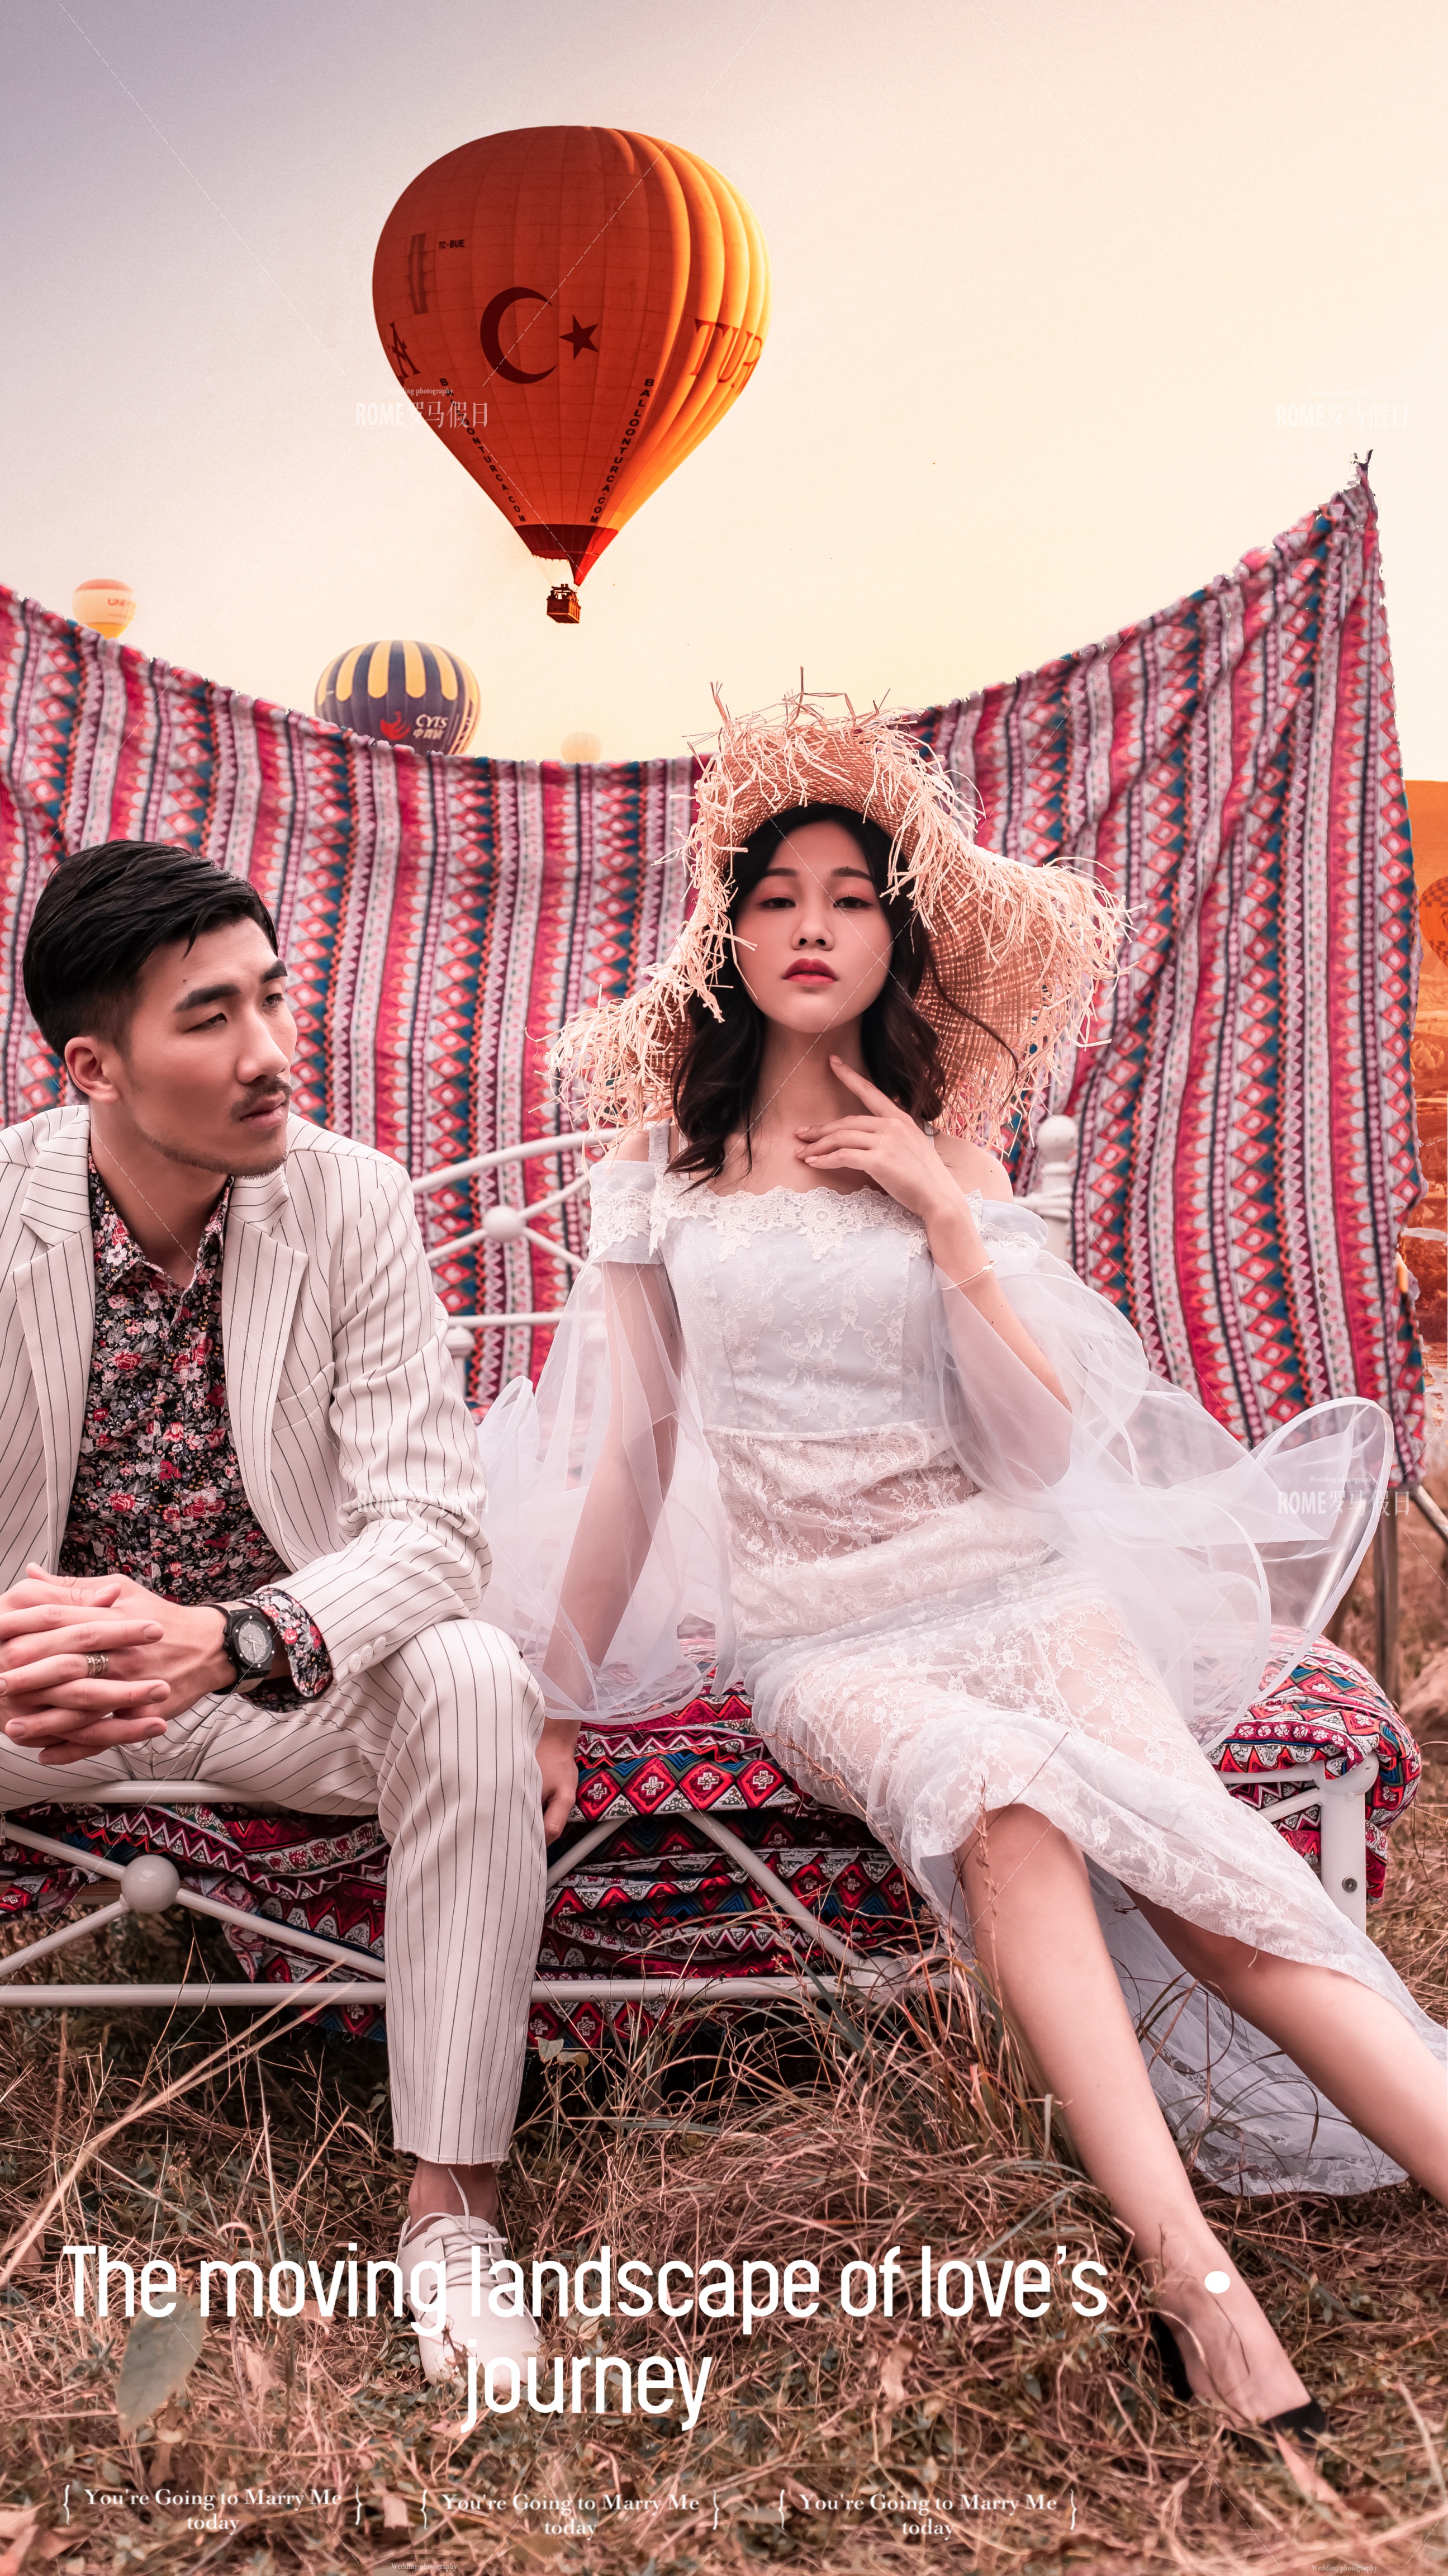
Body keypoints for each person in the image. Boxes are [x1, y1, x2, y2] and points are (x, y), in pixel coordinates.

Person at [480, 689, 1448, 2446]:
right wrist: (554, 1694)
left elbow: (1033, 1453)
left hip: (1022, 1589)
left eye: (851, 899)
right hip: (829, 1639)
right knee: (997, 1799)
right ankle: (1196, 2289)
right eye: (778, 898)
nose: (812, 927)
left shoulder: (963, 1154)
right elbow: (630, 1453)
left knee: (1208, 1873)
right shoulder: (664, 1169)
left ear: (893, 943)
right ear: (728, 937)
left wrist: (943, 1219)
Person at [0, 840, 571, 2394]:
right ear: (93, 1067)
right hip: (22, 1698)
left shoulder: (352, 1200)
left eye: (273, 999)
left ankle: (453, 2221)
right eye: (211, 1017)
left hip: (272, 1685)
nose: (269, 1052)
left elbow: (435, 1531)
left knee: (468, 1673)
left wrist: (227, 1640)